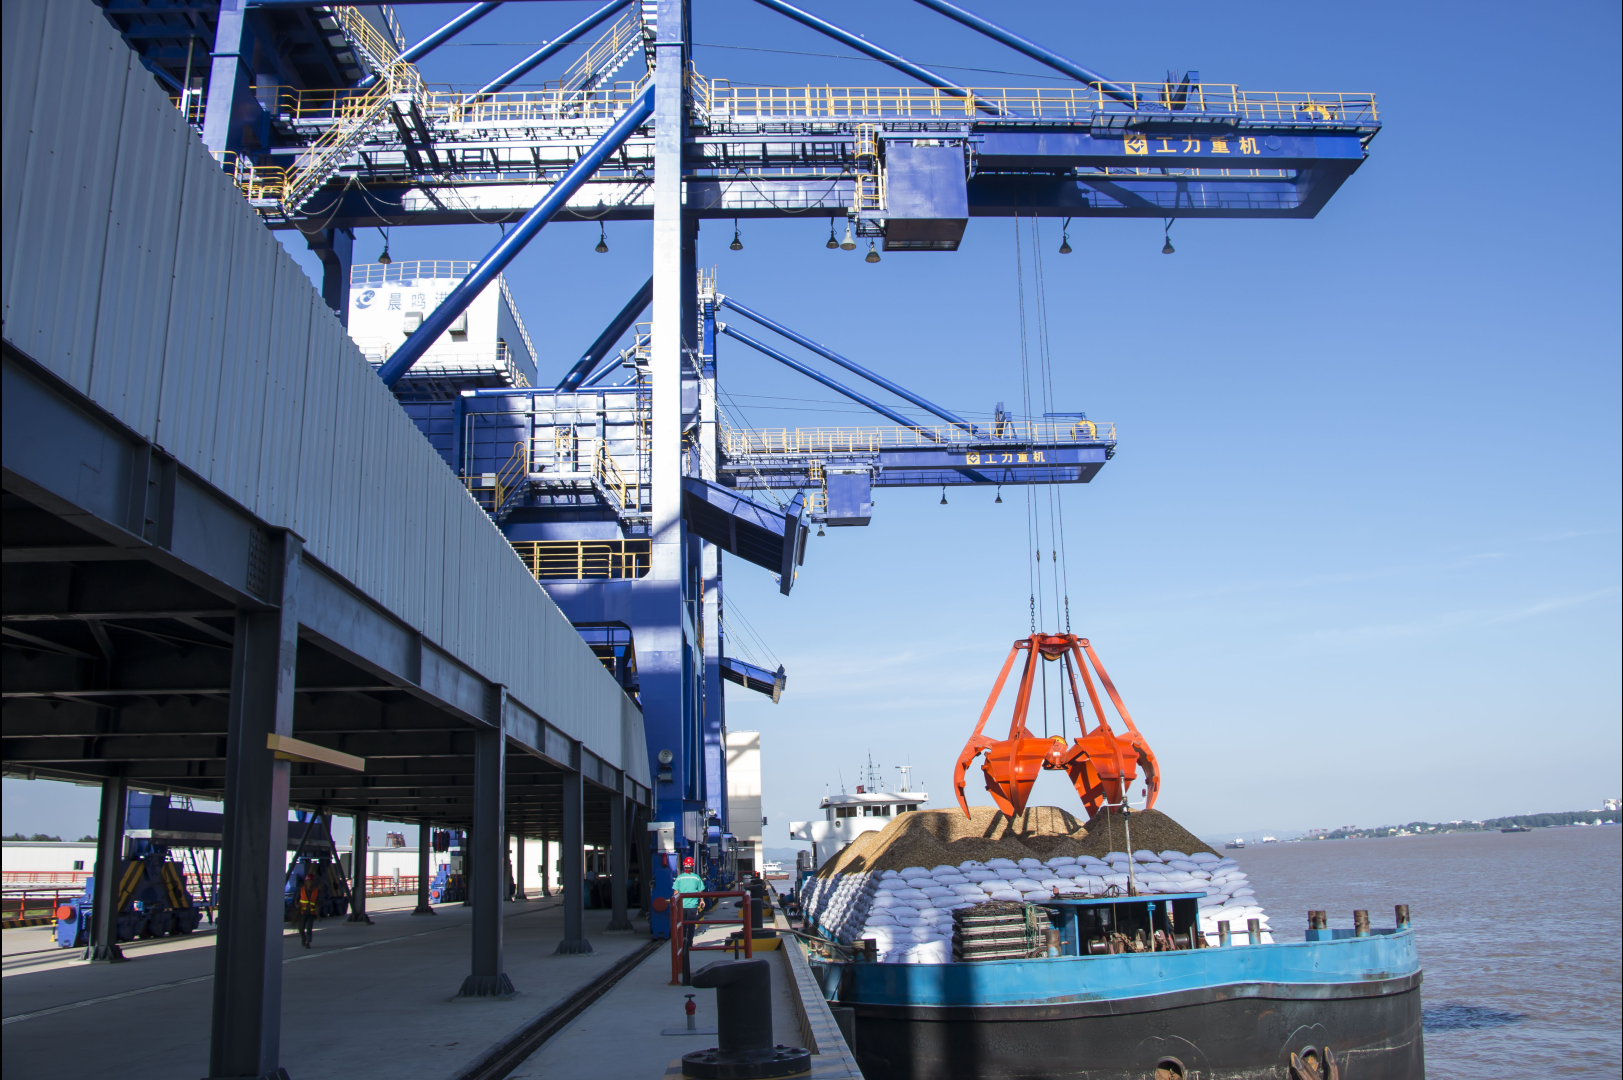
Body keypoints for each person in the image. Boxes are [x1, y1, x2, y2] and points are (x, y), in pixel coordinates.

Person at [295, 867, 321, 948]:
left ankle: (307, 942)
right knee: (301, 928)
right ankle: (303, 938)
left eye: (312, 881)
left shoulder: (316, 891)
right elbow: (296, 900)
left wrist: (318, 916)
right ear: (306, 882)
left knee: (309, 928)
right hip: (302, 913)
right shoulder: (301, 890)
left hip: (311, 914)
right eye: (309, 881)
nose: (310, 883)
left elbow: (317, 904)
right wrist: (297, 905)